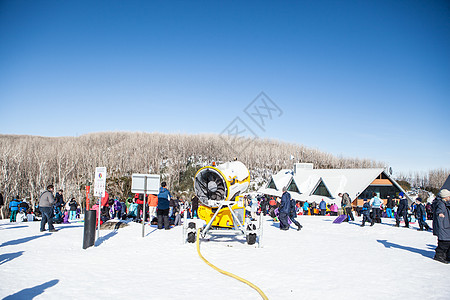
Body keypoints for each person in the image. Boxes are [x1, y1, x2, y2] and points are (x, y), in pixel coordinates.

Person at [432, 189, 450, 263]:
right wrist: (440, 215)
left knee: (447, 242)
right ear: (445, 197)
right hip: (443, 226)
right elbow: (439, 212)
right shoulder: (441, 204)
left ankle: (446, 256)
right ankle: (439, 256)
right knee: (444, 242)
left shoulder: (445, 203)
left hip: (446, 225)